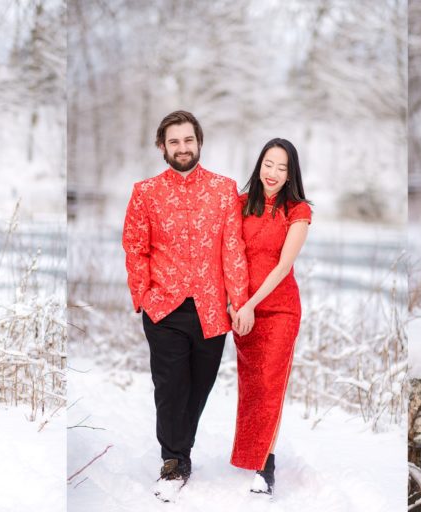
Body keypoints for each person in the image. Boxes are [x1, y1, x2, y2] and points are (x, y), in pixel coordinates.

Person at [122, 110, 250, 502]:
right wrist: (142, 295)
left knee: (200, 386)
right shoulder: (145, 192)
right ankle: (173, 460)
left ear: (199, 143)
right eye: (174, 141)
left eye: (188, 140)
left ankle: (182, 446)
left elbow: (233, 250)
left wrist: (240, 303)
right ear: (162, 147)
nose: (182, 148)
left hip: (213, 309)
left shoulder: (224, 190)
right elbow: (134, 246)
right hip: (165, 307)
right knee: (170, 386)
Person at [230, 138, 311, 497]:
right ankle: (252, 454)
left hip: (278, 309)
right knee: (251, 386)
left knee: (270, 384)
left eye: (282, 167)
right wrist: (236, 304)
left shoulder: (298, 211)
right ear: (258, 164)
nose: (273, 173)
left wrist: (250, 304)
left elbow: (282, 267)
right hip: (242, 311)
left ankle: (267, 465)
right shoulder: (240, 204)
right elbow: (230, 256)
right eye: (268, 164)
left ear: (291, 172)